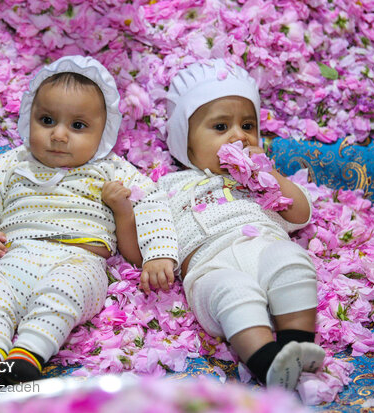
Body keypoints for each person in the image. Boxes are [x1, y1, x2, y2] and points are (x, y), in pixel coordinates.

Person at [0, 55, 178, 386]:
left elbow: (152, 205)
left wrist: (159, 254)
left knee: (62, 293)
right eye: (47, 120)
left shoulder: (112, 169)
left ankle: (28, 353)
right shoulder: (11, 164)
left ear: (103, 132)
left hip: (79, 259)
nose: (59, 135)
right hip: (14, 256)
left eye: (78, 126)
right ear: (29, 119)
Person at [108, 59, 324, 390]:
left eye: (248, 126)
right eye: (221, 127)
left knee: (291, 260)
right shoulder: (166, 188)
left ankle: (297, 343)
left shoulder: (262, 177)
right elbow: (142, 249)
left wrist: (267, 174)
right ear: (186, 144)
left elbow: (300, 215)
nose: (239, 135)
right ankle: (266, 362)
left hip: (263, 246)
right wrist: (125, 214)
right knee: (232, 293)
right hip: (210, 268)